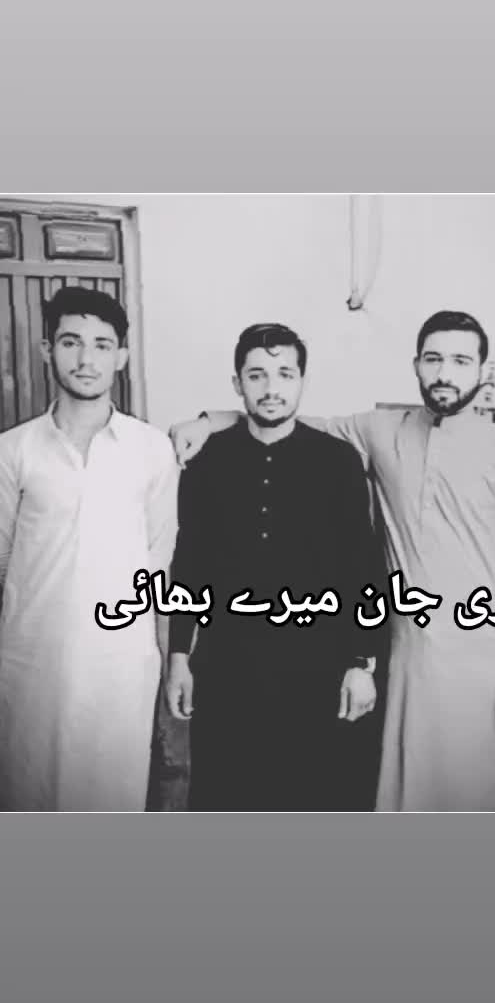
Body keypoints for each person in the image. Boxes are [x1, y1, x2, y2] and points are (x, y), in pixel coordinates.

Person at [170, 310, 495, 812]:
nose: (445, 373)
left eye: (461, 361)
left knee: (472, 788)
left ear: (483, 370)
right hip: (403, 650)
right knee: (392, 790)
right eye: (433, 359)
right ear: (416, 364)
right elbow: (284, 416)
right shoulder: (379, 430)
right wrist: (207, 420)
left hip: (483, 652)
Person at [164, 322, 381, 811]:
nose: (271, 388)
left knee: (311, 797)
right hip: (226, 666)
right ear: (237, 383)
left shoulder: (338, 460)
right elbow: (190, 561)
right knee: (225, 796)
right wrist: (179, 655)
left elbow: (362, 567)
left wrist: (361, 662)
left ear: (302, 381)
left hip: (317, 666)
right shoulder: (206, 459)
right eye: (257, 374)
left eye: (285, 374)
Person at [0, 287, 178, 811]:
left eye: (102, 345)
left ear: (121, 356)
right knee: (27, 796)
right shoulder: (13, 450)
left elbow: (160, 567)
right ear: (46, 350)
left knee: (111, 801)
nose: (85, 358)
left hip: (121, 666)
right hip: (31, 665)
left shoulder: (151, 449)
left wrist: (172, 664)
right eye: (71, 342)